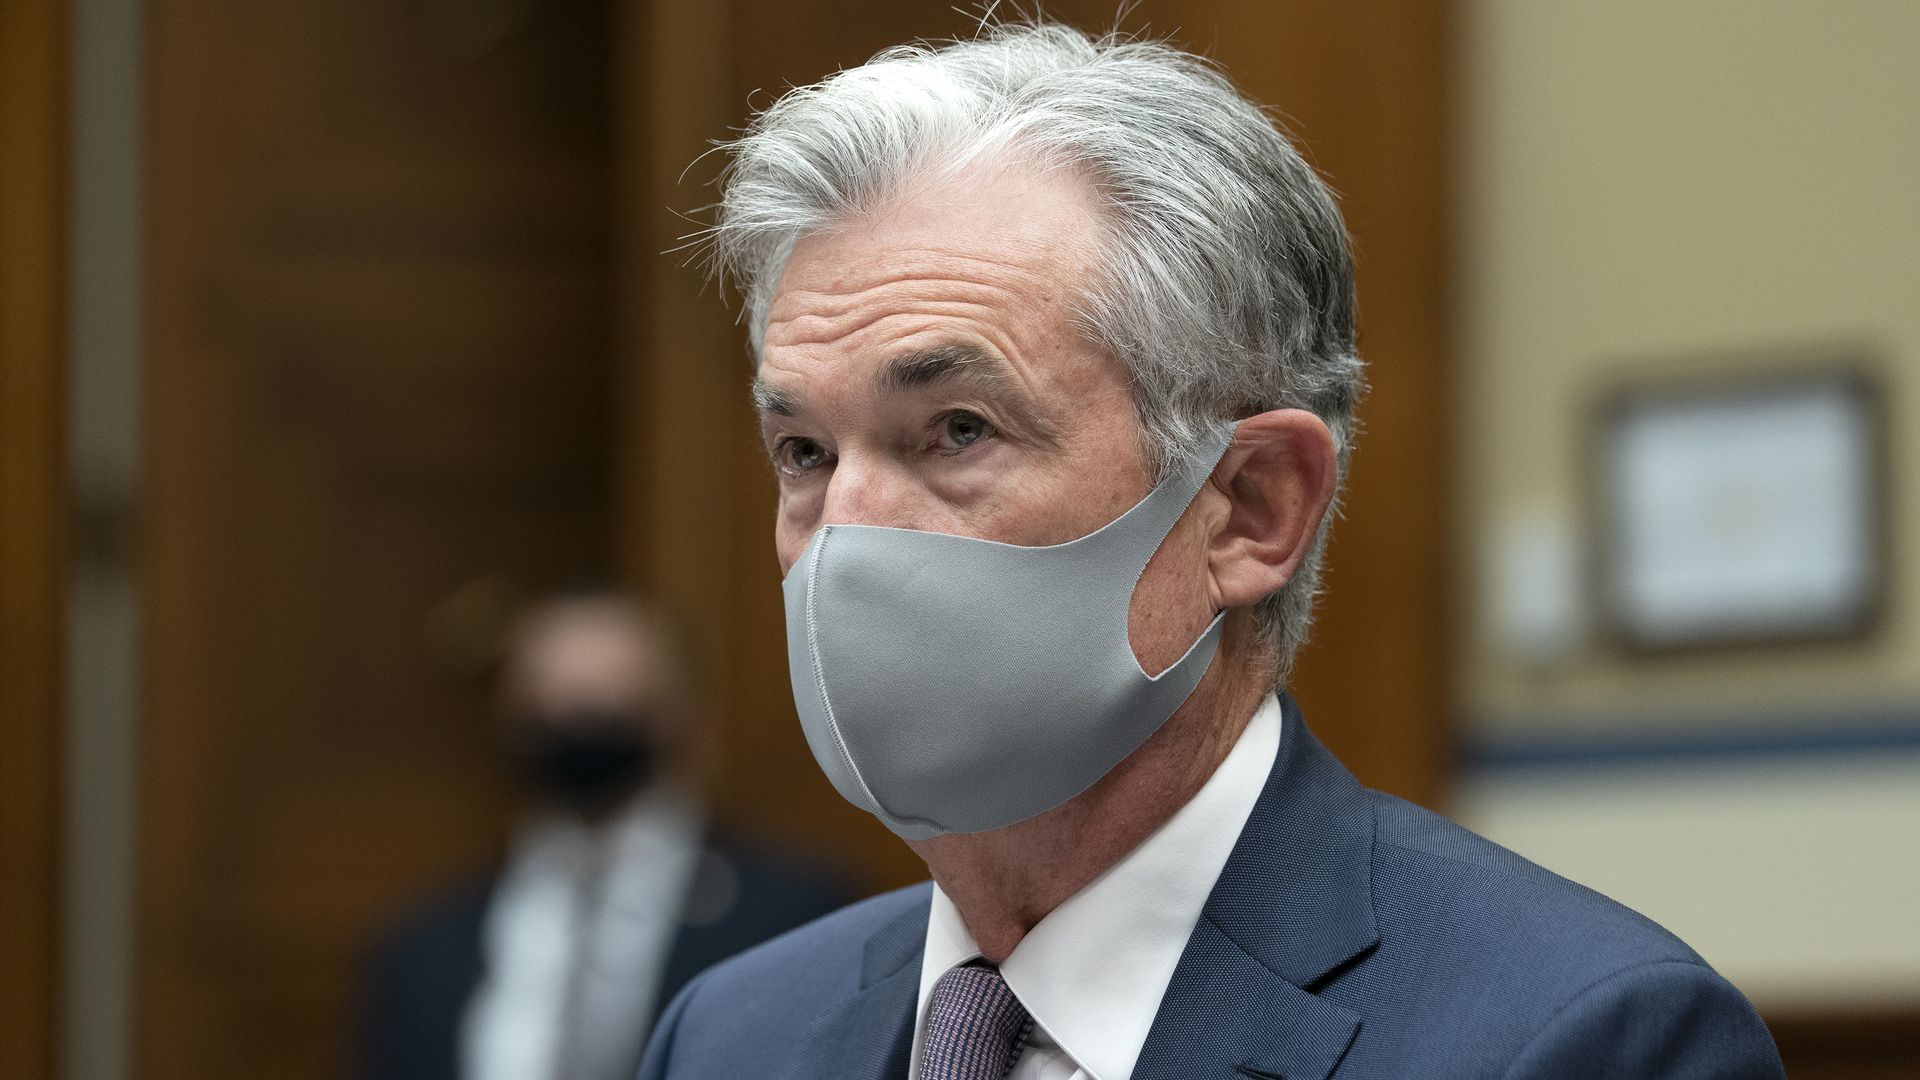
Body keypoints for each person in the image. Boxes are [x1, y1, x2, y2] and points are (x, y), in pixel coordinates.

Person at [639, 21, 1786, 1080]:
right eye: (802, 451)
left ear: (1248, 508)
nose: (843, 529)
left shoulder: (1581, 1037)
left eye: (959, 431)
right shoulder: (732, 1035)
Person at [356, 592, 848, 1080]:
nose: (579, 725)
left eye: (610, 701)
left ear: (680, 714)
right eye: (553, 700)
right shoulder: (425, 945)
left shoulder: (794, 916)